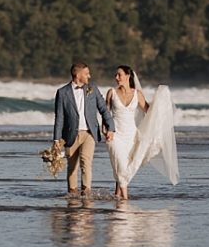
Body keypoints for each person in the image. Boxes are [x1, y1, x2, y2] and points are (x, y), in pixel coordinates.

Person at [105, 65, 179, 199]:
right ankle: (125, 199)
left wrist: (160, 101)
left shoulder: (137, 94)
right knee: (121, 164)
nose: (116, 78)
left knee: (123, 166)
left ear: (128, 76)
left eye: (119, 75)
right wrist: (106, 131)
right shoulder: (111, 92)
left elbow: (149, 111)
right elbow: (105, 115)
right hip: (115, 135)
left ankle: (117, 195)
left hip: (131, 136)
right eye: (115, 75)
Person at [52, 62, 115, 197]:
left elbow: (103, 109)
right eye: (86, 73)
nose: (89, 76)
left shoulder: (93, 89)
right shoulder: (62, 92)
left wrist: (111, 128)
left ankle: (86, 195)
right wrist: (56, 139)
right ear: (77, 74)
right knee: (72, 166)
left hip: (89, 133)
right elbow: (59, 117)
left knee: (85, 163)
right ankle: (72, 195)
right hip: (70, 134)